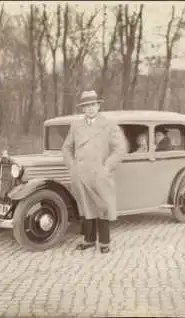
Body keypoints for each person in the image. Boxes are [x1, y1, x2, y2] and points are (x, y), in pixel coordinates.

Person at [61, 90, 127, 254]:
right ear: (82, 109)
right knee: (85, 207)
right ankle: (89, 240)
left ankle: (104, 242)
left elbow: (120, 149)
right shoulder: (76, 125)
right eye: (86, 106)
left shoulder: (109, 125)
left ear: (98, 106)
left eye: (92, 105)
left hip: (99, 174)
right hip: (81, 173)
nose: (90, 108)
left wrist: (107, 168)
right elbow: (66, 147)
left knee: (102, 206)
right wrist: (72, 166)